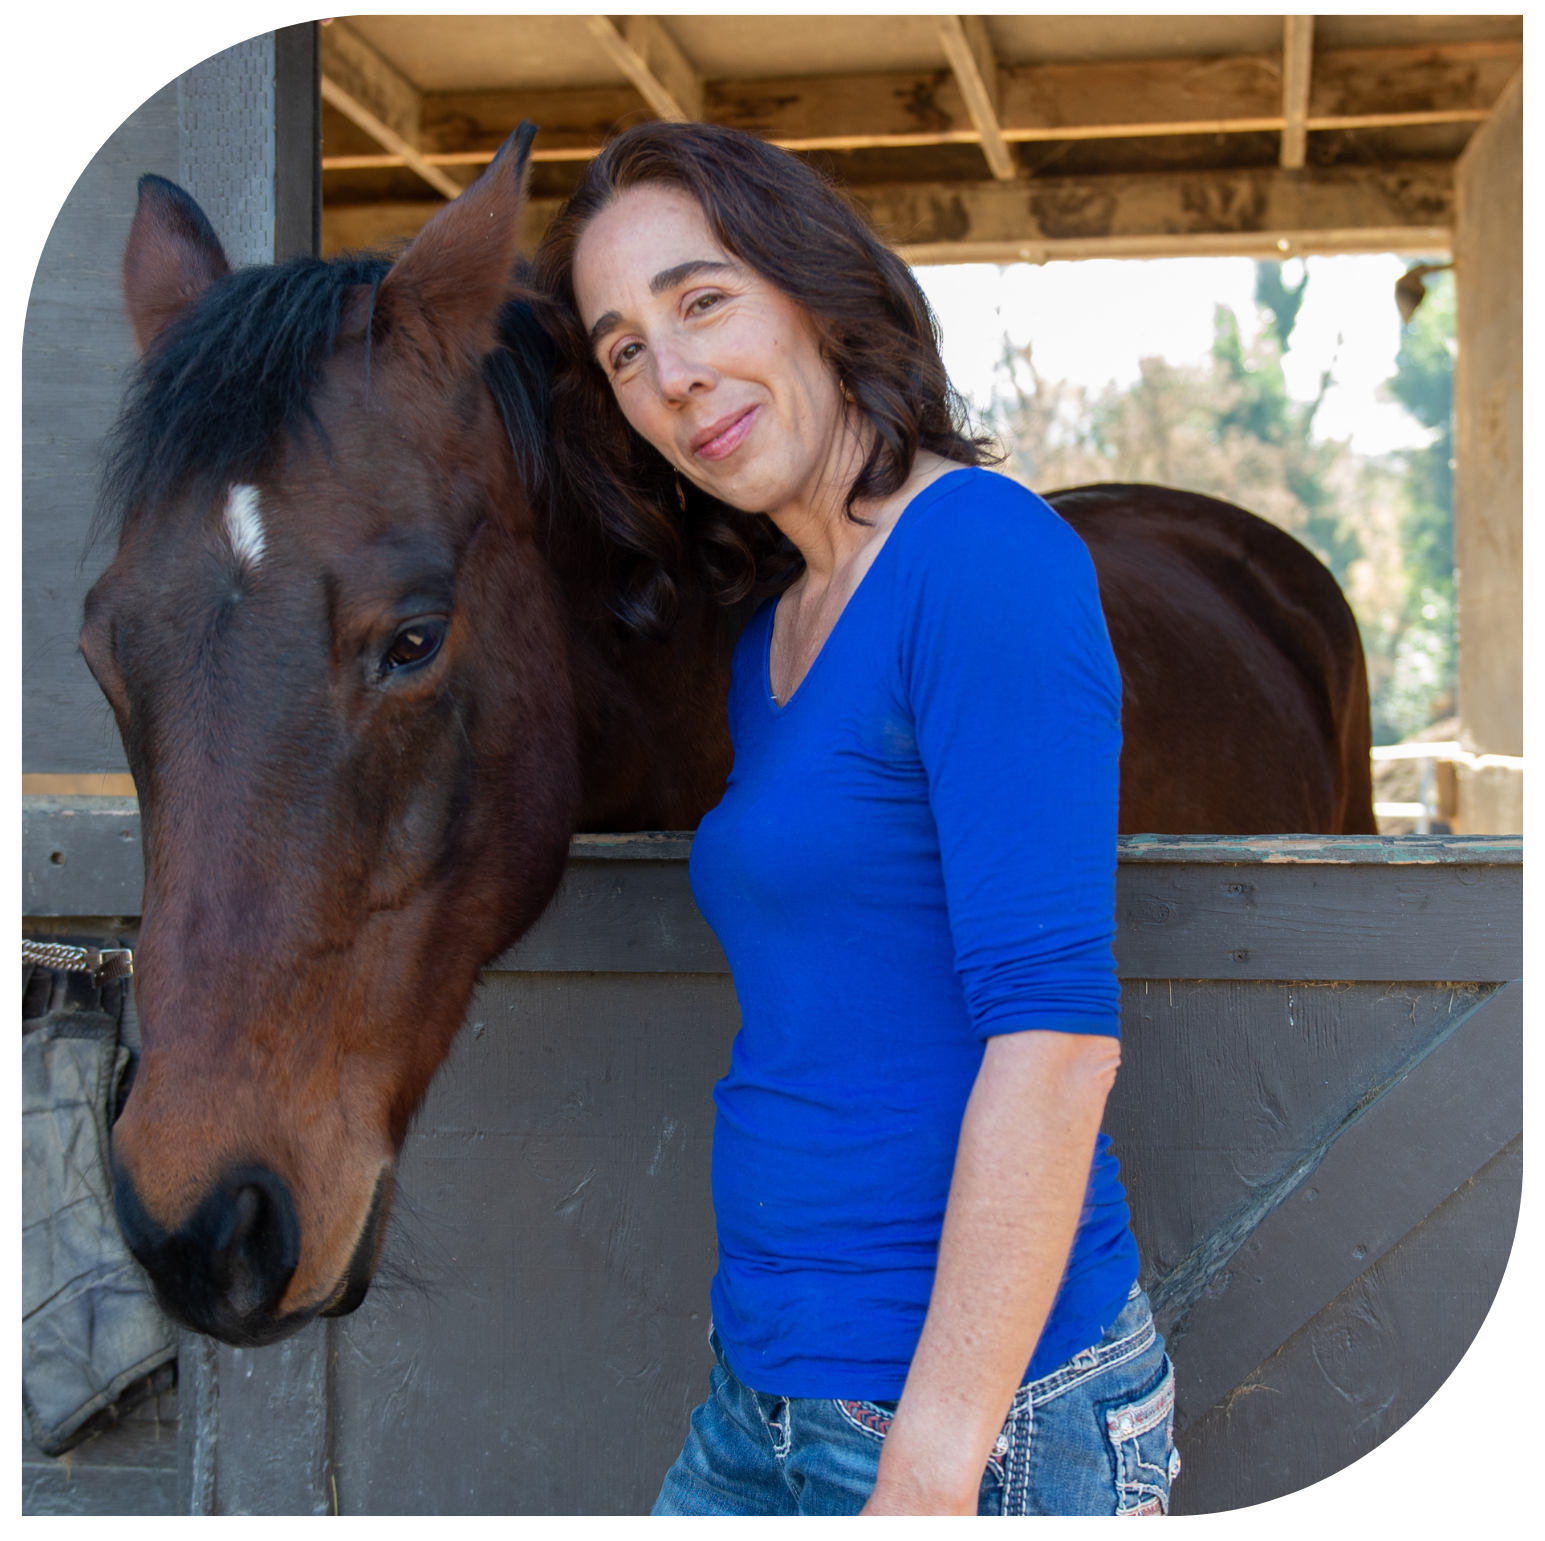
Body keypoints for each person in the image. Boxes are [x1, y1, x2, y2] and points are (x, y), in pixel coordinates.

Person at [534, 122, 1178, 1518]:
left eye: (701, 300)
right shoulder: (771, 634)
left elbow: (1057, 1042)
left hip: (978, 1426)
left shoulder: (987, 559)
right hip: (764, 1394)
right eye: (625, 349)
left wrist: (934, 1468)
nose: (673, 374)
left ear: (815, 284)